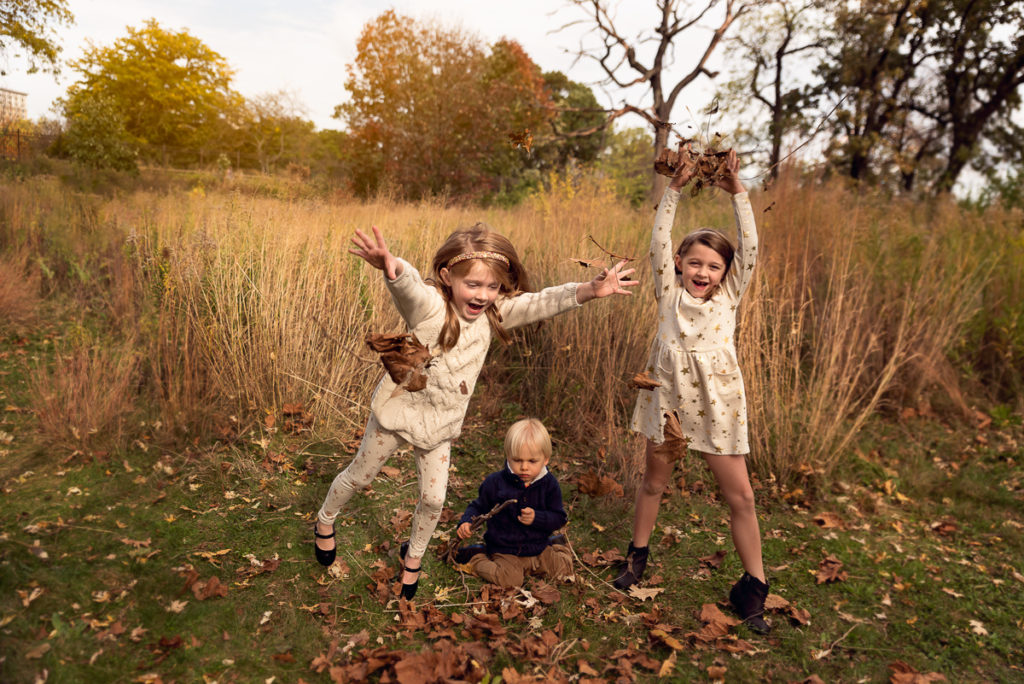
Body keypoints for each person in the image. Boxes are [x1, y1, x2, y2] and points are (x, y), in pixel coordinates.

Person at [314, 223, 636, 600]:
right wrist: (393, 267)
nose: (483, 295)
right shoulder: (432, 306)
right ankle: (325, 520)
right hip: (398, 415)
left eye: (493, 286)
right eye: (474, 285)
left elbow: (540, 302)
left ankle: (413, 558)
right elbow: (411, 287)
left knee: (434, 500)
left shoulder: (493, 314)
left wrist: (590, 290)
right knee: (360, 477)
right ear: (448, 277)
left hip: (439, 426)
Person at [613, 147, 772, 634]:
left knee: (741, 496)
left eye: (714, 267)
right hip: (668, 401)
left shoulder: (729, 296)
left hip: (718, 405)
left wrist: (738, 191)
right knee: (654, 483)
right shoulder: (668, 291)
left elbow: (750, 246)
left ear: (726, 274)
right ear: (679, 264)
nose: (703, 273)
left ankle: (752, 586)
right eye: (695, 263)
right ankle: (637, 556)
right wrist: (676, 187)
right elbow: (659, 237)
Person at [452, 418, 572, 587]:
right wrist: (466, 522)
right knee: (510, 580)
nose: (524, 467)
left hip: (538, 547)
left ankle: (556, 545)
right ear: (508, 456)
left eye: (532, 461)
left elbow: (559, 517)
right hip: (505, 549)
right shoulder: (496, 482)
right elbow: (478, 506)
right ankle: (476, 558)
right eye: (517, 460)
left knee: (564, 571)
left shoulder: (549, 484)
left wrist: (537, 518)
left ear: (545, 459)